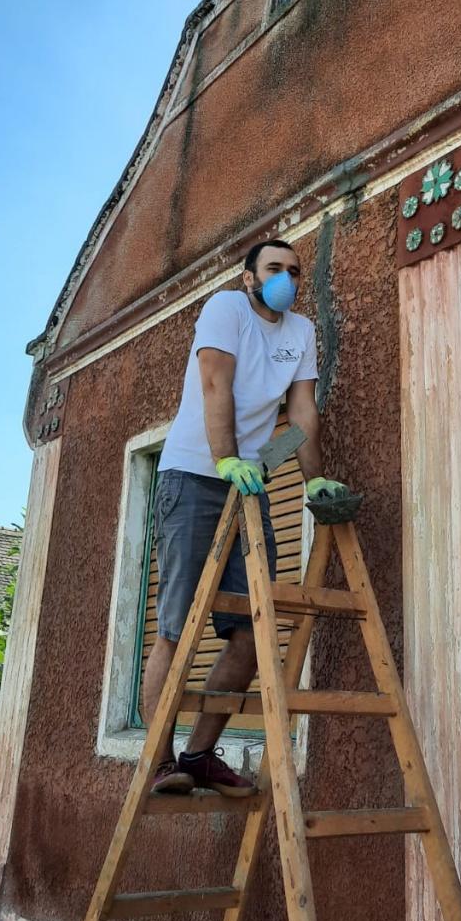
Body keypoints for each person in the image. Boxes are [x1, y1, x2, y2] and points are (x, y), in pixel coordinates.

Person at [143, 238, 348, 796]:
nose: (287, 279)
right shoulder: (226, 308)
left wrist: (312, 479)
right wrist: (225, 458)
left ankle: (199, 755)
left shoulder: (301, 331)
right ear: (249, 277)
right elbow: (216, 383)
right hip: (194, 475)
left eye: (295, 271)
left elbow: (301, 411)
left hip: (247, 484)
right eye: (274, 268)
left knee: (252, 634)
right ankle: (159, 761)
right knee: (176, 627)